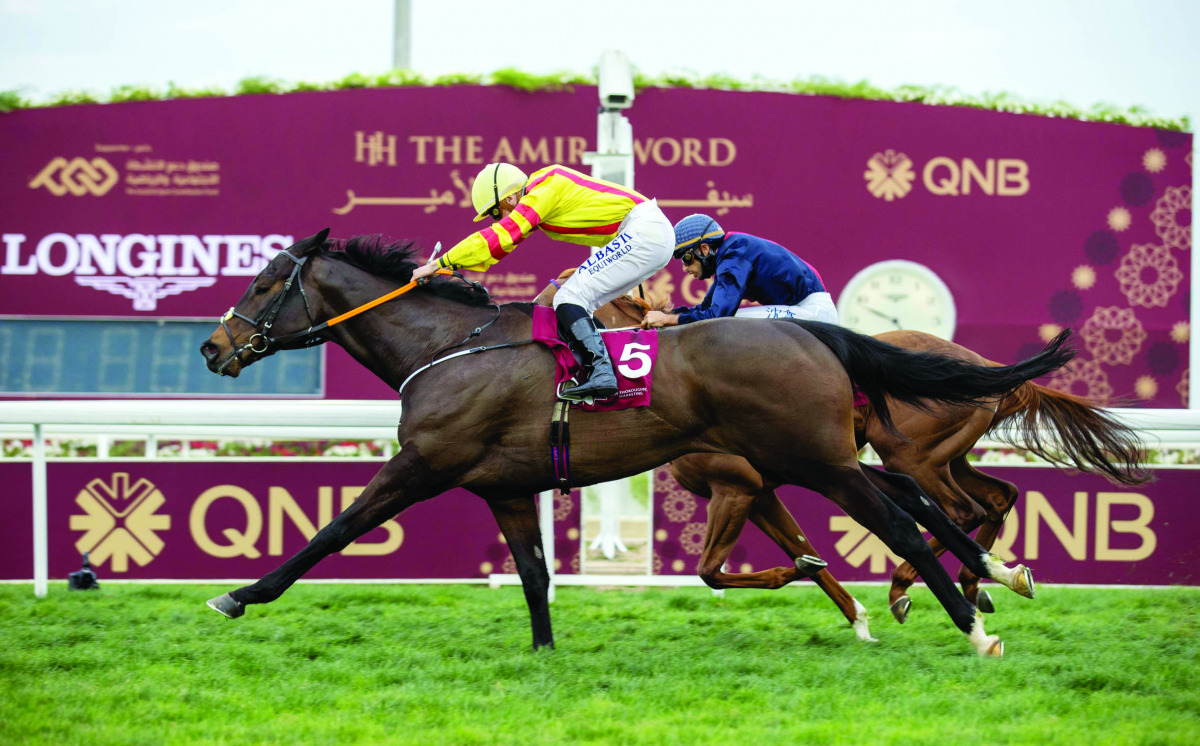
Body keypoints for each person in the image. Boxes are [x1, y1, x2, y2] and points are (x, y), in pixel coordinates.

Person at [412, 162, 673, 400]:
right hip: (646, 233)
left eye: (495, 211)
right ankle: (605, 371)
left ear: (511, 197)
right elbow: (499, 248)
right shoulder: (542, 193)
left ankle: (603, 372)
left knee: (568, 298)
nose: (498, 219)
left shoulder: (543, 190)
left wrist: (438, 263)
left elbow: (498, 237)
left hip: (643, 231)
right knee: (579, 302)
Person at [642, 214, 837, 328]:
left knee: (727, 324)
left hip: (813, 312)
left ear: (704, 249)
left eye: (686, 258)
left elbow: (718, 315)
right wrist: (666, 315)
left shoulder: (734, 255)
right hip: (803, 308)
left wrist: (667, 319)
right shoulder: (731, 252)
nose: (685, 268)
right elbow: (705, 309)